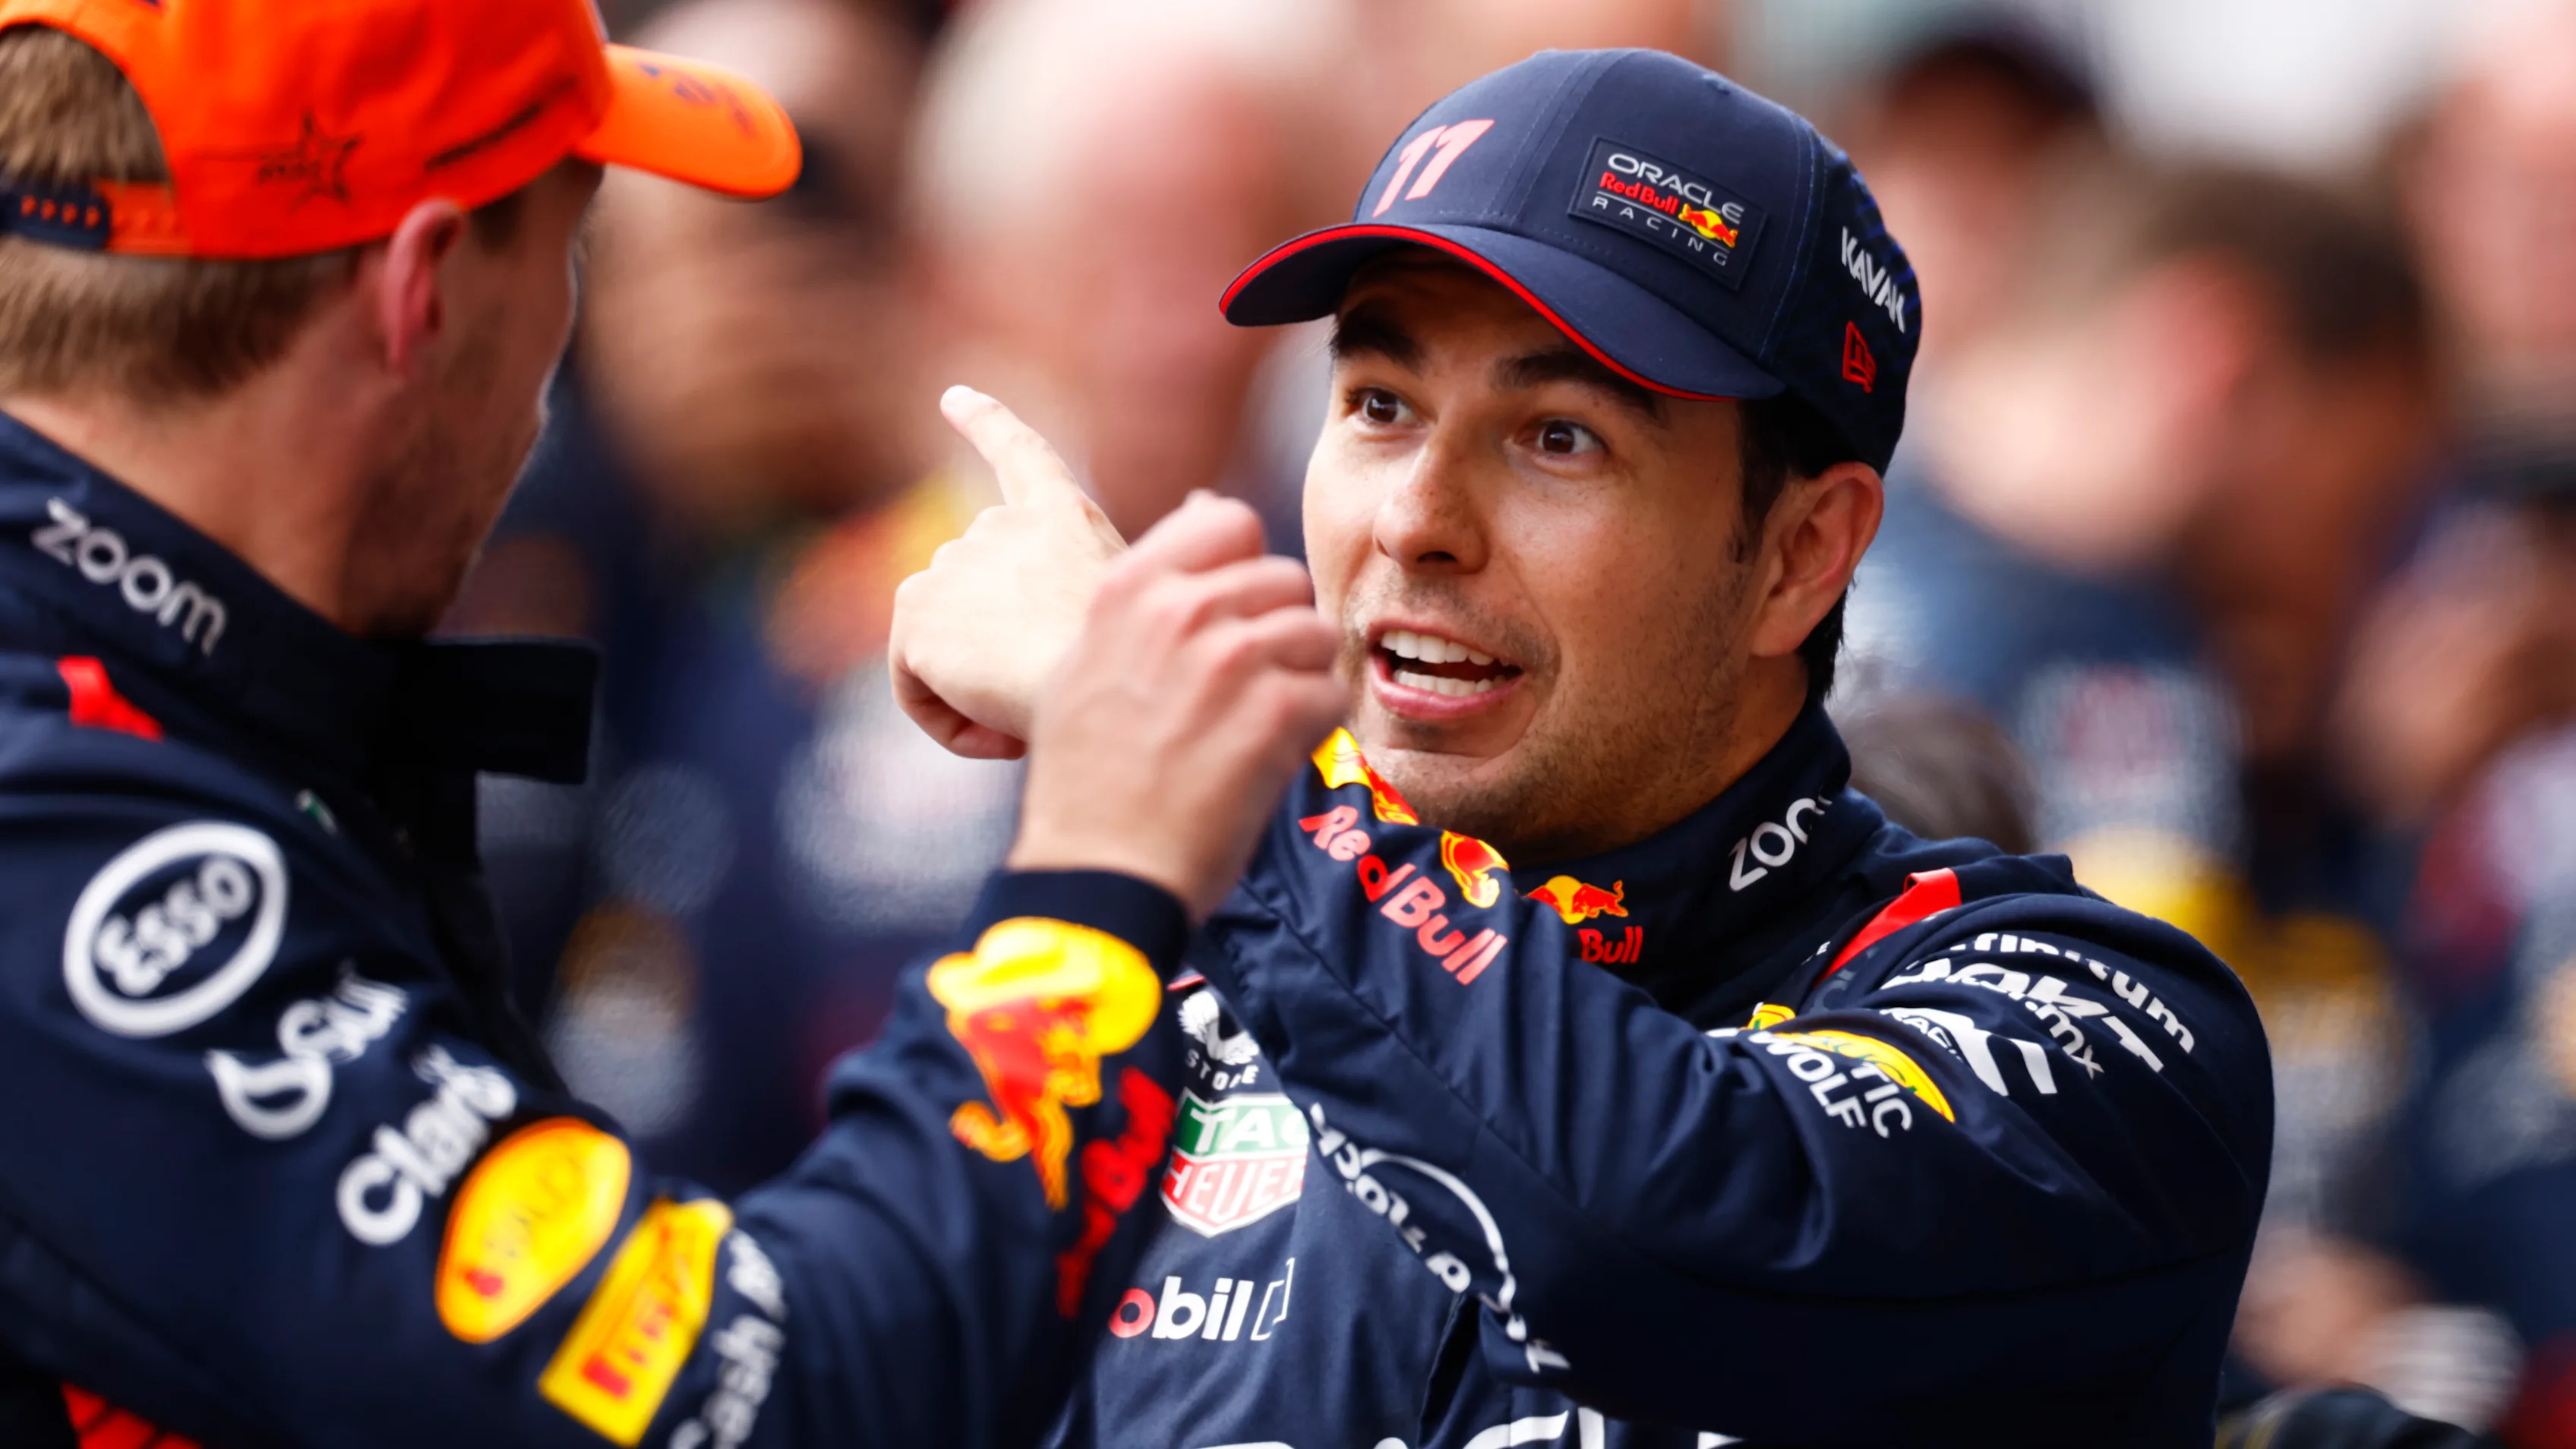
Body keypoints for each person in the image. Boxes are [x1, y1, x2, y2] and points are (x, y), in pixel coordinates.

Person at [0, 3, 1346, 1447]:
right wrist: (1099, 872)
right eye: (578, 255)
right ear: (426, 294)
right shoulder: (64, 827)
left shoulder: (148, 709)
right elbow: (759, 1395)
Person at [895, 48, 2275, 1447]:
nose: (1416, 521)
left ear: (1802, 553)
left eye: (1558, 438)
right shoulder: (1144, 1020)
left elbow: (1663, 1237)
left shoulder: (2100, 1035)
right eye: (1379, 406)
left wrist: (1194, 755)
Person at [450, 0, 996, 1197]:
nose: (737, 307)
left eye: (809, 217)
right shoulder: (509, 559)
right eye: (654, 256)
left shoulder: (1017, 586)